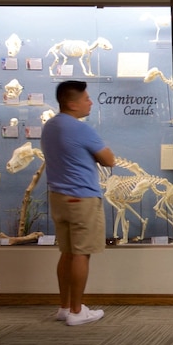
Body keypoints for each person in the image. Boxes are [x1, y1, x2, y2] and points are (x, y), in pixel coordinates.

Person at [40, 80, 115, 326]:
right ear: (72, 104)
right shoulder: (80, 128)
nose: (90, 102)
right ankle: (76, 311)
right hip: (81, 197)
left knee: (67, 252)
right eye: (86, 98)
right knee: (82, 254)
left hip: (58, 197)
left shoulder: (50, 126)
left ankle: (64, 307)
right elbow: (109, 160)